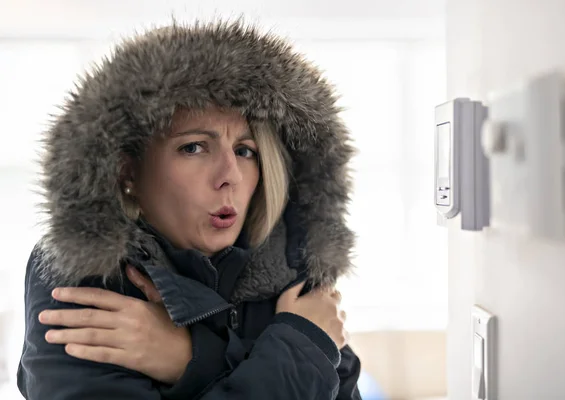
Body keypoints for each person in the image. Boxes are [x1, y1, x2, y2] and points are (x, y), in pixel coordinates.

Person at [16, 20, 361, 400]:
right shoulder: (87, 272)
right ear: (128, 169)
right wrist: (300, 347)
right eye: (194, 147)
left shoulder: (291, 269)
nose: (230, 175)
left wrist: (193, 357)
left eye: (245, 151)